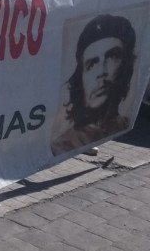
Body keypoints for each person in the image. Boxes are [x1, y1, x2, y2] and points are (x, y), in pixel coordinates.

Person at [51, 14, 135, 156]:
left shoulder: (123, 124)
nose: (102, 71)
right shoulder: (63, 143)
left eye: (112, 56)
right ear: (80, 78)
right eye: (92, 64)